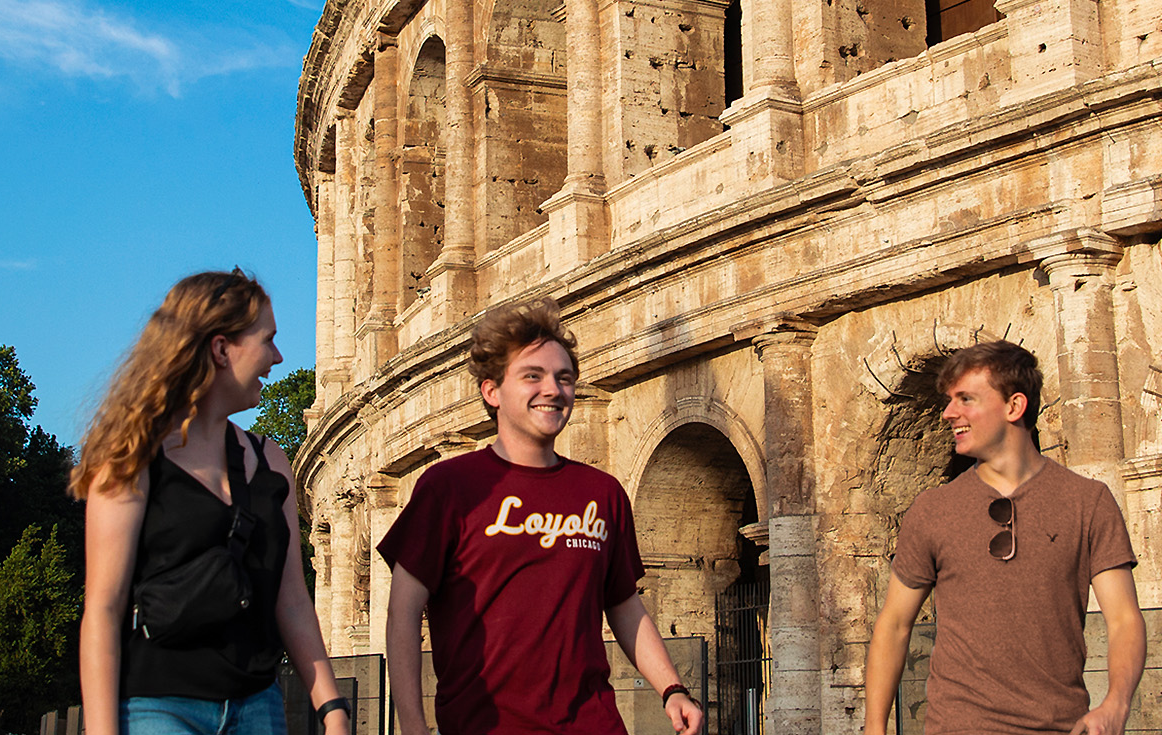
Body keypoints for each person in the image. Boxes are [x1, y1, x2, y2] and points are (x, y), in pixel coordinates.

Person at [379, 297, 703, 735]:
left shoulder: (602, 493)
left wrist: (672, 690)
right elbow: (403, 614)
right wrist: (412, 727)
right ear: (491, 391)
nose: (553, 389)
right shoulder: (448, 487)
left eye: (564, 378)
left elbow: (624, 605)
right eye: (533, 376)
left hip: (593, 724)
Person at [72, 270, 350, 735]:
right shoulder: (131, 457)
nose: (278, 357)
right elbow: (103, 607)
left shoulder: (271, 462)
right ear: (221, 349)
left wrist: (332, 706)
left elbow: (293, 601)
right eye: (268, 340)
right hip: (156, 708)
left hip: (258, 704)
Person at [864, 340, 1147, 735]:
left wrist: (1116, 704)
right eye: (949, 400)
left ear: (1014, 407)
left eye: (966, 399)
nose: (948, 413)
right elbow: (894, 623)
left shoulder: (1088, 502)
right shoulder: (932, 510)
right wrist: (874, 729)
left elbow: (1123, 620)